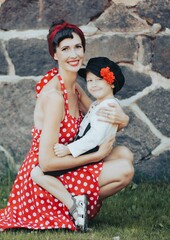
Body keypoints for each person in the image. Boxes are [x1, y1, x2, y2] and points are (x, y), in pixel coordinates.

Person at [0, 20, 133, 232]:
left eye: (78, 47)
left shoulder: (75, 89)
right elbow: (46, 163)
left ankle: (77, 204)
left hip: (66, 163)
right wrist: (97, 156)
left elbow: (100, 123)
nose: (74, 54)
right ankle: (71, 206)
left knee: (124, 153)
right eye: (65, 49)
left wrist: (123, 120)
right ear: (55, 54)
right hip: (43, 178)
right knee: (124, 169)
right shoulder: (55, 97)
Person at [31, 56, 131, 231]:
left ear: (111, 83)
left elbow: (94, 137)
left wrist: (68, 149)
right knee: (38, 173)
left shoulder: (108, 107)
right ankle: (76, 204)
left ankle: (75, 207)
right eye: (90, 80)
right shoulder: (98, 104)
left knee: (38, 173)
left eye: (99, 80)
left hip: (85, 151)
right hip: (87, 151)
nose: (93, 84)